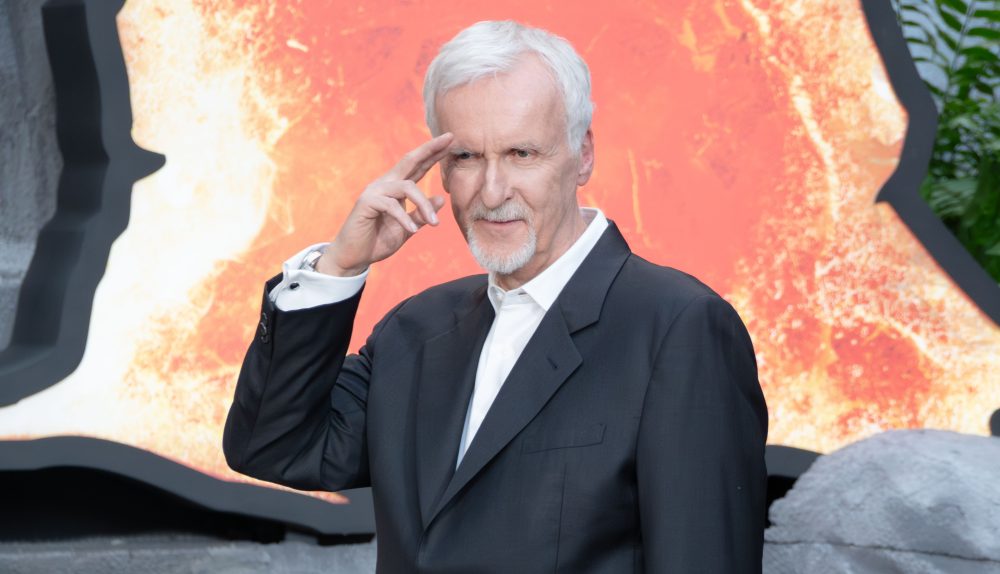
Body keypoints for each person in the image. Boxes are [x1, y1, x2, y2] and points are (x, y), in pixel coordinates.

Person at [223, 20, 767, 573]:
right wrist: (338, 267)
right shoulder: (415, 331)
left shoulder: (679, 328)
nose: (492, 190)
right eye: (466, 158)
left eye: (521, 153)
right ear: (439, 170)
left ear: (582, 154)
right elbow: (274, 446)